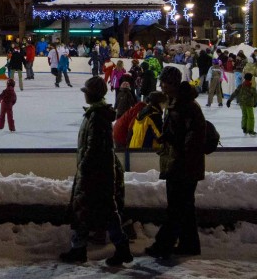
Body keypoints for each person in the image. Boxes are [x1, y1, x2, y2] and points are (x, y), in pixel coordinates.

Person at [59, 77, 131, 267]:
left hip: (95, 173)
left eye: (86, 92)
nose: (84, 95)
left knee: (88, 210)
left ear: (92, 94)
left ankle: (83, 249)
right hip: (99, 171)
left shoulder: (97, 117)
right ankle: (85, 248)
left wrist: (84, 168)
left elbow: (94, 148)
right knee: (99, 212)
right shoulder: (96, 114)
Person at [144, 66, 205, 259]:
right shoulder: (175, 103)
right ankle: (190, 244)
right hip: (179, 162)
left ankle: (163, 244)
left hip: (183, 165)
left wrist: (181, 158)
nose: (161, 85)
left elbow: (193, 137)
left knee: (176, 207)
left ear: (172, 83)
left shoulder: (185, 106)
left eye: (163, 82)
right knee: (185, 207)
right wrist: (165, 137)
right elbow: (178, 132)